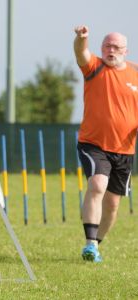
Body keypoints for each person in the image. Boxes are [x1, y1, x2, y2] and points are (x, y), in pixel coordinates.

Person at [74, 25, 138, 262]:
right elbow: (81, 53)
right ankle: (90, 242)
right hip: (93, 144)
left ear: (126, 51)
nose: (112, 51)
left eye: (116, 47)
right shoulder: (94, 67)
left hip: (124, 150)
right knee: (97, 185)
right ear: (101, 49)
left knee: (112, 205)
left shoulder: (135, 74)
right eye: (107, 46)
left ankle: (94, 246)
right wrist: (82, 39)